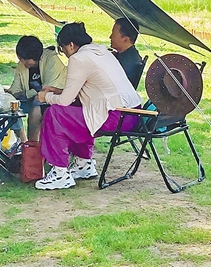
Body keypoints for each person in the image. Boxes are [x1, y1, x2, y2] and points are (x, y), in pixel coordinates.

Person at [35, 22, 142, 190]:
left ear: (71, 45)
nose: (65, 54)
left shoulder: (79, 58)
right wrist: (57, 91)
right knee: (79, 110)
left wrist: (45, 96)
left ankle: (60, 173)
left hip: (115, 117)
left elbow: (64, 101)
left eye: (63, 49)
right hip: (132, 113)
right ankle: (83, 164)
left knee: (54, 113)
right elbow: (85, 92)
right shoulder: (101, 51)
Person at [8, 35, 67, 143]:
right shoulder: (22, 64)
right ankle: (23, 142)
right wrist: (10, 95)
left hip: (52, 99)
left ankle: (33, 144)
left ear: (35, 57)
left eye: (25, 60)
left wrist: (26, 93)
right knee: (10, 106)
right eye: (20, 59)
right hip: (32, 98)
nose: (22, 62)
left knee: (36, 105)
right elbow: (15, 90)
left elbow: (49, 90)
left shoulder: (52, 60)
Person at [109, 17, 144, 89]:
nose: (110, 37)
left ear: (125, 39)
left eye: (113, 34)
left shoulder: (128, 62)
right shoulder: (130, 56)